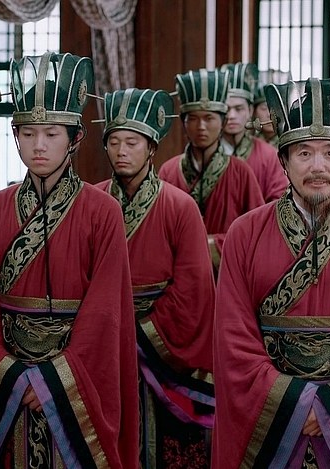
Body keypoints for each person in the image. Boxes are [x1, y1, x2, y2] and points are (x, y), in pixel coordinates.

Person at [0, 52, 139, 468]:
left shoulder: (103, 211)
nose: (39, 145)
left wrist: (53, 381)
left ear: (75, 138)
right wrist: (11, 375)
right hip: (7, 380)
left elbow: (104, 312)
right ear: (15, 135)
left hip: (74, 376)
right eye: (28, 133)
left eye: (52, 133)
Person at [212, 77, 330, 468]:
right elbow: (234, 337)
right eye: (304, 153)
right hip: (271, 418)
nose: (318, 166)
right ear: (283, 161)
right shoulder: (244, 234)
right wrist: (295, 407)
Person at [95, 88, 216, 468]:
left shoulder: (180, 207)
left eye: (132, 143)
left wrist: (139, 333)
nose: (121, 151)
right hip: (102, 340)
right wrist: (104, 330)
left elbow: (194, 288)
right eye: (114, 142)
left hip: (161, 347)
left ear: (151, 148)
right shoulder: (92, 203)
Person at [158, 68, 264, 270]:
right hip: (178, 276)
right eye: (193, 118)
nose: (201, 127)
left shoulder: (241, 172)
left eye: (209, 118)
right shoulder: (169, 171)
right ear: (183, 123)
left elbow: (258, 230)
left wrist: (212, 246)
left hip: (227, 275)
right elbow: (158, 232)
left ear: (223, 121)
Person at [220, 62, 289, 202]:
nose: (231, 116)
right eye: (226, 109)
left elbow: (279, 200)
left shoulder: (268, 155)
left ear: (250, 110)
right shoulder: (205, 153)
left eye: (239, 109)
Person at [251, 68, 293, 147]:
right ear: (254, 112)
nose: (269, 115)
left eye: (276, 109)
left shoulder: (290, 143)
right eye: (264, 108)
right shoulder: (250, 143)